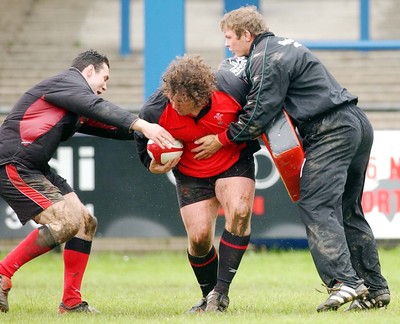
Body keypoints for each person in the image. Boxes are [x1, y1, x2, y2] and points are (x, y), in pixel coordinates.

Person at [194, 6, 390, 312]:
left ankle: (344, 282)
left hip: (331, 129)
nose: (228, 45)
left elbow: (259, 112)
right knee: (346, 210)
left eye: (230, 37)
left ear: (247, 35)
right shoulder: (284, 45)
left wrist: (221, 138)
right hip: (355, 123)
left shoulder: (264, 58)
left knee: (316, 203)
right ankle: (375, 289)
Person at [0, 49, 175, 314]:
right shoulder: (68, 83)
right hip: (14, 163)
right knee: (66, 223)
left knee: (84, 223)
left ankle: (70, 303)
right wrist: (143, 126)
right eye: (104, 78)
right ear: (88, 71)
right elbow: (97, 108)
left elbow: (111, 126)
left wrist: (158, 133)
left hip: (35, 166)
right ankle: (2, 272)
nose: (105, 86)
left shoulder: (73, 101)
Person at [134, 54, 260, 313]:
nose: (175, 105)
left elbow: (257, 116)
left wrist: (223, 139)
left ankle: (221, 292)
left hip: (232, 161)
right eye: (172, 98)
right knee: (200, 237)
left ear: (201, 96)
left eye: (182, 101)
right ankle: (209, 295)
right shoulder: (155, 109)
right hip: (191, 174)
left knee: (240, 211)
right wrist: (152, 165)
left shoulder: (231, 90)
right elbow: (142, 148)